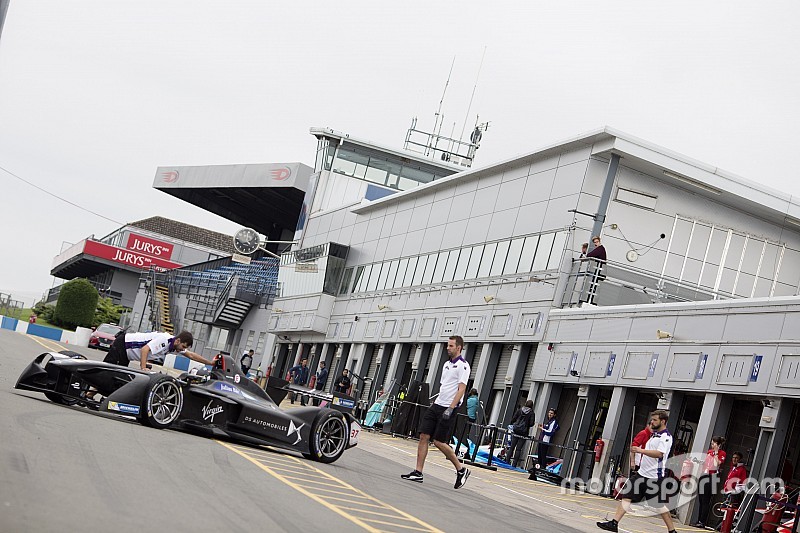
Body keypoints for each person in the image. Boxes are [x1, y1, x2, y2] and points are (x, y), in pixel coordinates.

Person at [401, 335, 471, 489]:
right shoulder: (446, 364)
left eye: (451, 346)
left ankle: (461, 470)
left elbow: (461, 389)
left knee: (439, 442)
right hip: (437, 404)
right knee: (423, 435)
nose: (448, 348)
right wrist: (436, 401)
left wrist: (451, 408)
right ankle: (418, 472)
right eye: (448, 345)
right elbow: (445, 386)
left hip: (449, 408)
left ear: (458, 348)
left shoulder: (463, 366)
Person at [597, 410, 677, 533]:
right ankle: (614, 523)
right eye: (652, 419)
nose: (652, 422)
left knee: (659, 506)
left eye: (655, 420)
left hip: (654, 477)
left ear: (663, 421)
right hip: (642, 474)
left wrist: (641, 451)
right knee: (627, 495)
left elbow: (660, 453)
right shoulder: (654, 435)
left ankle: (672, 530)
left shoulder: (666, 437)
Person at [104, 330, 213, 370]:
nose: (183, 350)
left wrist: (210, 363)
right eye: (183, 347)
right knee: (107, 371)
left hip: (127, 353)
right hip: (122, 344)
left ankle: (89, 395)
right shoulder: (165, 340)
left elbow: (191, 356)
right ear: (178, 341)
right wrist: (143, 367)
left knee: (116, 375)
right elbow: (145, 349)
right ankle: (88, 393)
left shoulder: (174, 345)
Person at [692, 436, 727, 529]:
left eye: (714, 444)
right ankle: (699, 520)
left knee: (706, 500)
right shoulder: (709, 452)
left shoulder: (721, 453)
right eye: (712, 443)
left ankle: (702, 521)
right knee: (701, 499)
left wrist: (716, 453)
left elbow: (716, 464)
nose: (712, 445)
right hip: (704, 475)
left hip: (712, 477)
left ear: (718, 445)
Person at [507, 400, 535, 468]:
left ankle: (507, 461)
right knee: (518, 449)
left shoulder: (520, 410)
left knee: (512, 447)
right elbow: (531, 424)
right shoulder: (531, 413)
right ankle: (514, 464)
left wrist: (515, 424)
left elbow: (513, 418)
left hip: (516, 430)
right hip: (524, 432)